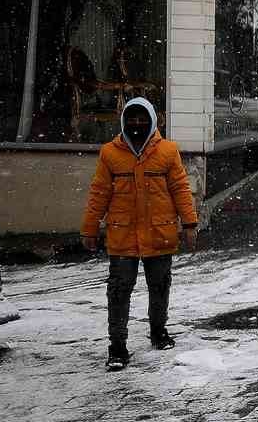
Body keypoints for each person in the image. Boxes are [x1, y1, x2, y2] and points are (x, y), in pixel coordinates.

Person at [79, 97, 198, 372]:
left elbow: (180, 189)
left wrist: (190, 224)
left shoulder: (168, 152)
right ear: (123, 121)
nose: (136, 123)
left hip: (160, 232)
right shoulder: (110, 153)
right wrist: (89, 228)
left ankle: (158, 332)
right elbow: (99, 194)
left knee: (160, 286)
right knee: (119, 292)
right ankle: (117, 347)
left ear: (152, 120)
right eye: (131, 118)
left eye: (142, 118)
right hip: (123, 236)